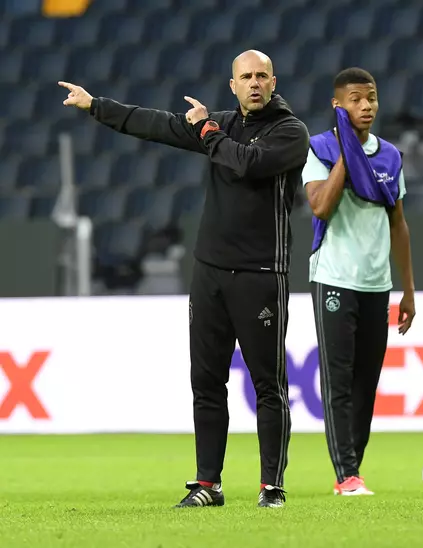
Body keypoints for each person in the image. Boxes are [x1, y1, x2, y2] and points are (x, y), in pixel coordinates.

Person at [59, 49, 310, 508]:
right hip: (210, 272)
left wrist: (208, 131)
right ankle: (207, 485)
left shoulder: (290, 131)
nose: (254, 83)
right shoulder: (220, 123)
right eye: (245, 77)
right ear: (232, 85)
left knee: (268, 385)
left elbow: (248, 163)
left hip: (260, 274)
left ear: (274, 82)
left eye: (261, 76)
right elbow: (157, 125)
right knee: (207, 382)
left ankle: (271, 486)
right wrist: (97, 105)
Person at [302, 67, 416, 496]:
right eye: (355, 99)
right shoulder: (320, 149)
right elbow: (320, 207)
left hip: (376, 283)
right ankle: (346, 474)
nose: (365, 105)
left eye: (370, 98)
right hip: (333, 278)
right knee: (338, 378)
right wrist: (347, 156)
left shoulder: (390, 156)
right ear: (338, 106)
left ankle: (352, 471)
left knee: (366, 384)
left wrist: (408, 289)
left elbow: (399, 224)